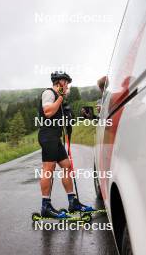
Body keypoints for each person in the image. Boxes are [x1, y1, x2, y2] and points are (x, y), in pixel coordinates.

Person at [38, 71, 94, 218]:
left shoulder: (59, 98)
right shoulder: (49, 93)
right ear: (59, 82)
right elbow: (48, 112)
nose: (68, 85)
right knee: (48, 169)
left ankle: (72, 202)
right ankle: (45, 206)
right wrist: (61, 98)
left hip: (55, 137)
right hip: (47, 136)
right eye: (66, 82)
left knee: (67, 166)